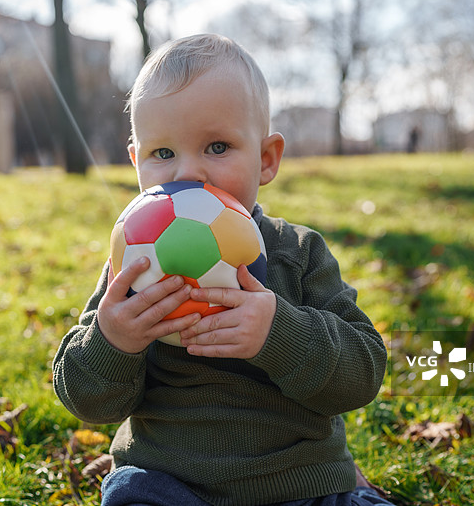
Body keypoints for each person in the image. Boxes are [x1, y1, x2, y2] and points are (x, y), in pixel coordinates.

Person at [52, 33, 391, 506]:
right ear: (136, 161)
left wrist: (279, 332)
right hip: (168, 484)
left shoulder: (297, 252)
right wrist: (113, 342)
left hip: (297, 483)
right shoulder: (133, 264)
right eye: (163, 154)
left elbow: (363, 372)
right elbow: (86, 399)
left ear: (266, 158)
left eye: (216, 146)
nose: (187, 172)